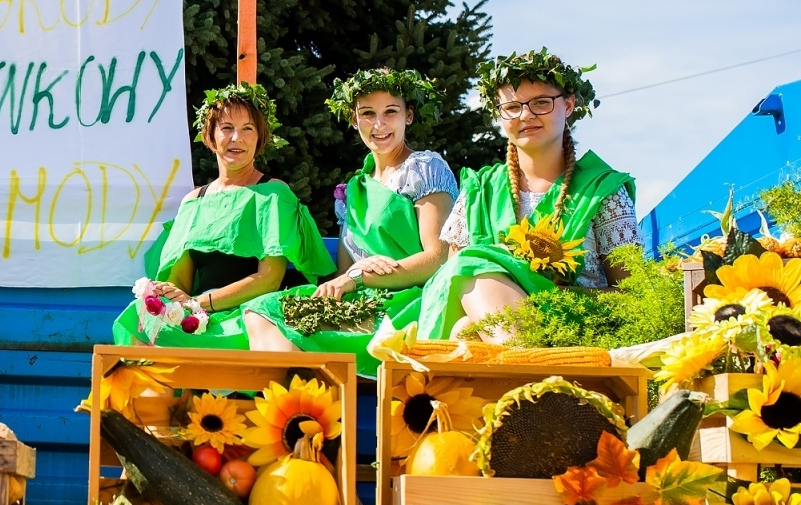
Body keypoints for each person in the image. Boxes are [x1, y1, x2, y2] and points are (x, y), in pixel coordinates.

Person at [243, 68, 457, 374]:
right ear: (354, 119)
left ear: (408, 115)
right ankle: (301, 410)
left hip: (410, 300)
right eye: (368, 113)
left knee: (278, 317)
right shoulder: (353, 188)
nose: (379, 124)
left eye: (390, 112)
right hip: (360, 297)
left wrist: (361, 277)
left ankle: (312, 407)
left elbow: (438, 258)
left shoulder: (424, 168)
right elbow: (345, 270)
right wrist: (356, 273)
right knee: (261, 311)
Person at [415, 48, 639, 341]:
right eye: (512, 107)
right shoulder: (478, 192)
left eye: (541, 103)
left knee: (470, 302)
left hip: (575, 329)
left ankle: (527, 364)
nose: (526, 115)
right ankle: (524, 365)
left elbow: (633, 297)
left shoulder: (602, 191)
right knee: (465, 318)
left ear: (569, 105)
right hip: (494, 328)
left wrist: (549, 295)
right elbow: (454, 284)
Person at [111, 83, 334, 349]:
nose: (236, 138)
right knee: (140, 315)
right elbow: (180, 279)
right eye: (226, 128)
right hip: (197, 316)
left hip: (252, 316)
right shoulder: (194, 202)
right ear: (211, 136)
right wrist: (170, 294)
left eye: (247, 129)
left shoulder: (273, 194)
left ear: (259, 138)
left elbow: (269, 280)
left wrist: (199, 303)